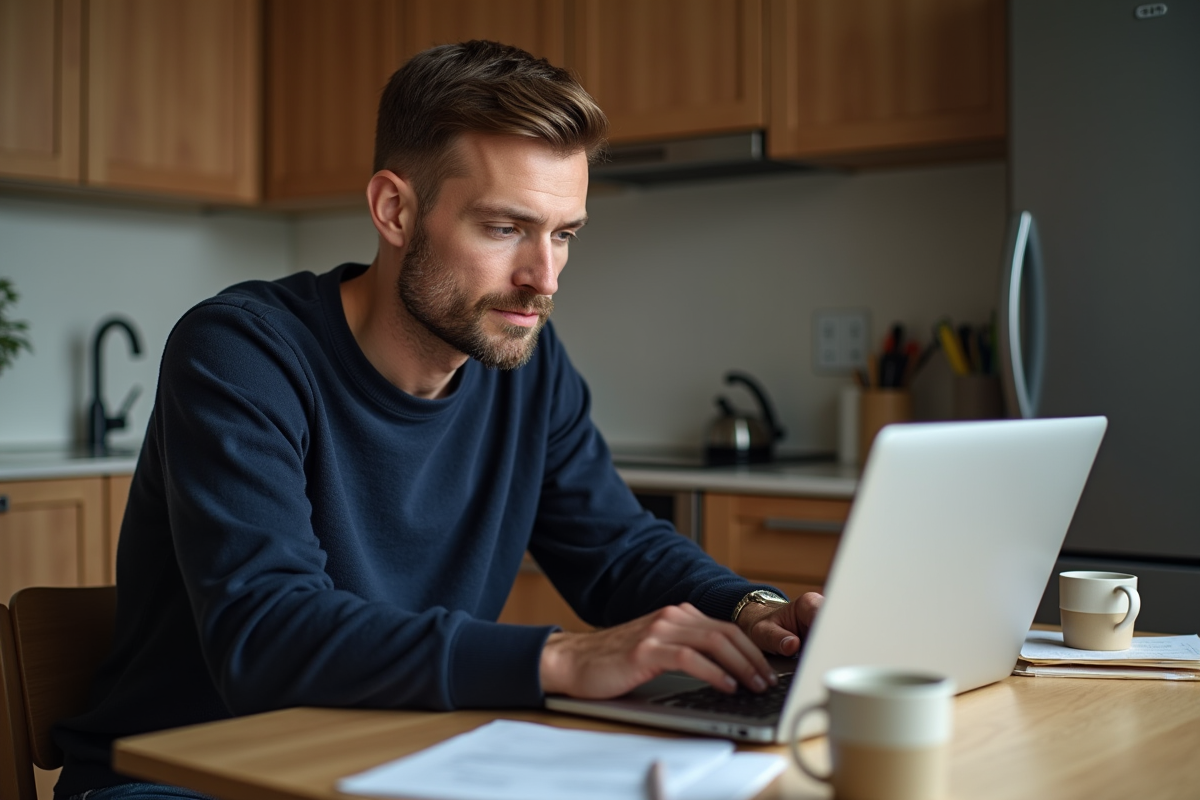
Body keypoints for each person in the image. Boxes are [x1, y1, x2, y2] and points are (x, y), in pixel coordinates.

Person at [54, 40, 822, 800]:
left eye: (563, 234)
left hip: (390, 759)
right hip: (174, 781)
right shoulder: (241, 352)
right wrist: (559, 659)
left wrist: (754, 612)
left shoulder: (526, 365)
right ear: (395, 210)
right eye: (505, 228)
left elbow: (616, 549)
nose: (544, 278)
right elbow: (265, 633)